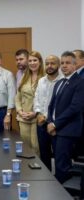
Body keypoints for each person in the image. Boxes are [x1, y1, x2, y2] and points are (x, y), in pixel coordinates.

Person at [47, 51, 84, 183]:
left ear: (75, 65)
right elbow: (51, 106)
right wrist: (50, 122)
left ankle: (62, 194)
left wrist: (55, 124)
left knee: (62, 166)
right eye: (62, 63)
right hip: (55, 129)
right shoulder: (59, 83)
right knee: (57, 162)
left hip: (67, 130)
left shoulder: (80, 82)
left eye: (68, 63)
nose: (64, 66)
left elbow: (75, 108)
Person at [33, 55, 62, 170]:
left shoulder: (63, 81)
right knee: (44, 155)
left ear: (58, 65)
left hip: (56, 125)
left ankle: (59, 183)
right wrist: (38, 113)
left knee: (58, 154)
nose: (49, 66)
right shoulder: (41, 81)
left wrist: (53, 121)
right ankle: (47, 181)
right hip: (41, 123)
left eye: (52, 63)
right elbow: (37, 99)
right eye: (47, 63)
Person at [15, 51, 44, 155]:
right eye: (30, 60)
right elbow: (17, 97)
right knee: (25, 148)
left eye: (35, 60)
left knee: (36, 148)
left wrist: (35, 113)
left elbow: (47, 100)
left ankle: (38, 170)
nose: (32, 63)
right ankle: (26, 170)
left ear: (40, 62)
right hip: (23, 118)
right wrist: (19, 111)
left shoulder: (44, 78)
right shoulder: (24, 76)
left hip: (38, 118)